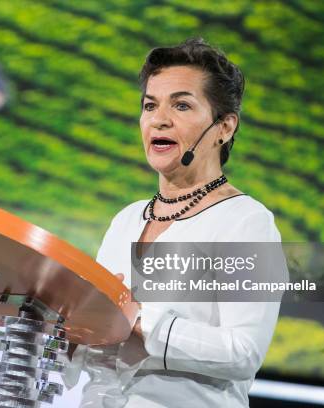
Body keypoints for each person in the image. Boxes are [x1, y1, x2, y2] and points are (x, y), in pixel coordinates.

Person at [62, 37, 285, 407]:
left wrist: (136, 322)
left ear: (225, 127)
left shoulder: (247, 223)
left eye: (181, 105)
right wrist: (69, 330)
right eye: (150, 105)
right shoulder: (126, 220)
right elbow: (98, 349)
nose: (159, 119)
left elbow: (244, 352)